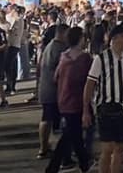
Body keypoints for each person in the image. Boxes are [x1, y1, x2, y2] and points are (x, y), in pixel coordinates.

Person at [83, 25, 123, 173]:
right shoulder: (101, 59)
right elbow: (89, 84)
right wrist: (86, 110)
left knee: (119, 147)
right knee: (107, 148)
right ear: (115, 38)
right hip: (105, 106)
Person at [47, 27, 92, 173]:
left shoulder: (63, 56)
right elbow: (90, 80)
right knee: (71, 133)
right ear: (80, 39)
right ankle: (55, 166)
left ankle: (84, 162)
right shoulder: (84, 58)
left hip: (63, 98)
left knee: (74, 133)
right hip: (78, 100)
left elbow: (55, 78)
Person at [37, 24, 68, 159]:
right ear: (62, 34)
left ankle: (45, 147)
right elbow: (60, 69)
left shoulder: (49, 46)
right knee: (49, 119)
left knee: (48, 119)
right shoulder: (58, 48)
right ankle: (44, 149)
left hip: (46, 88)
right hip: (53, 89)